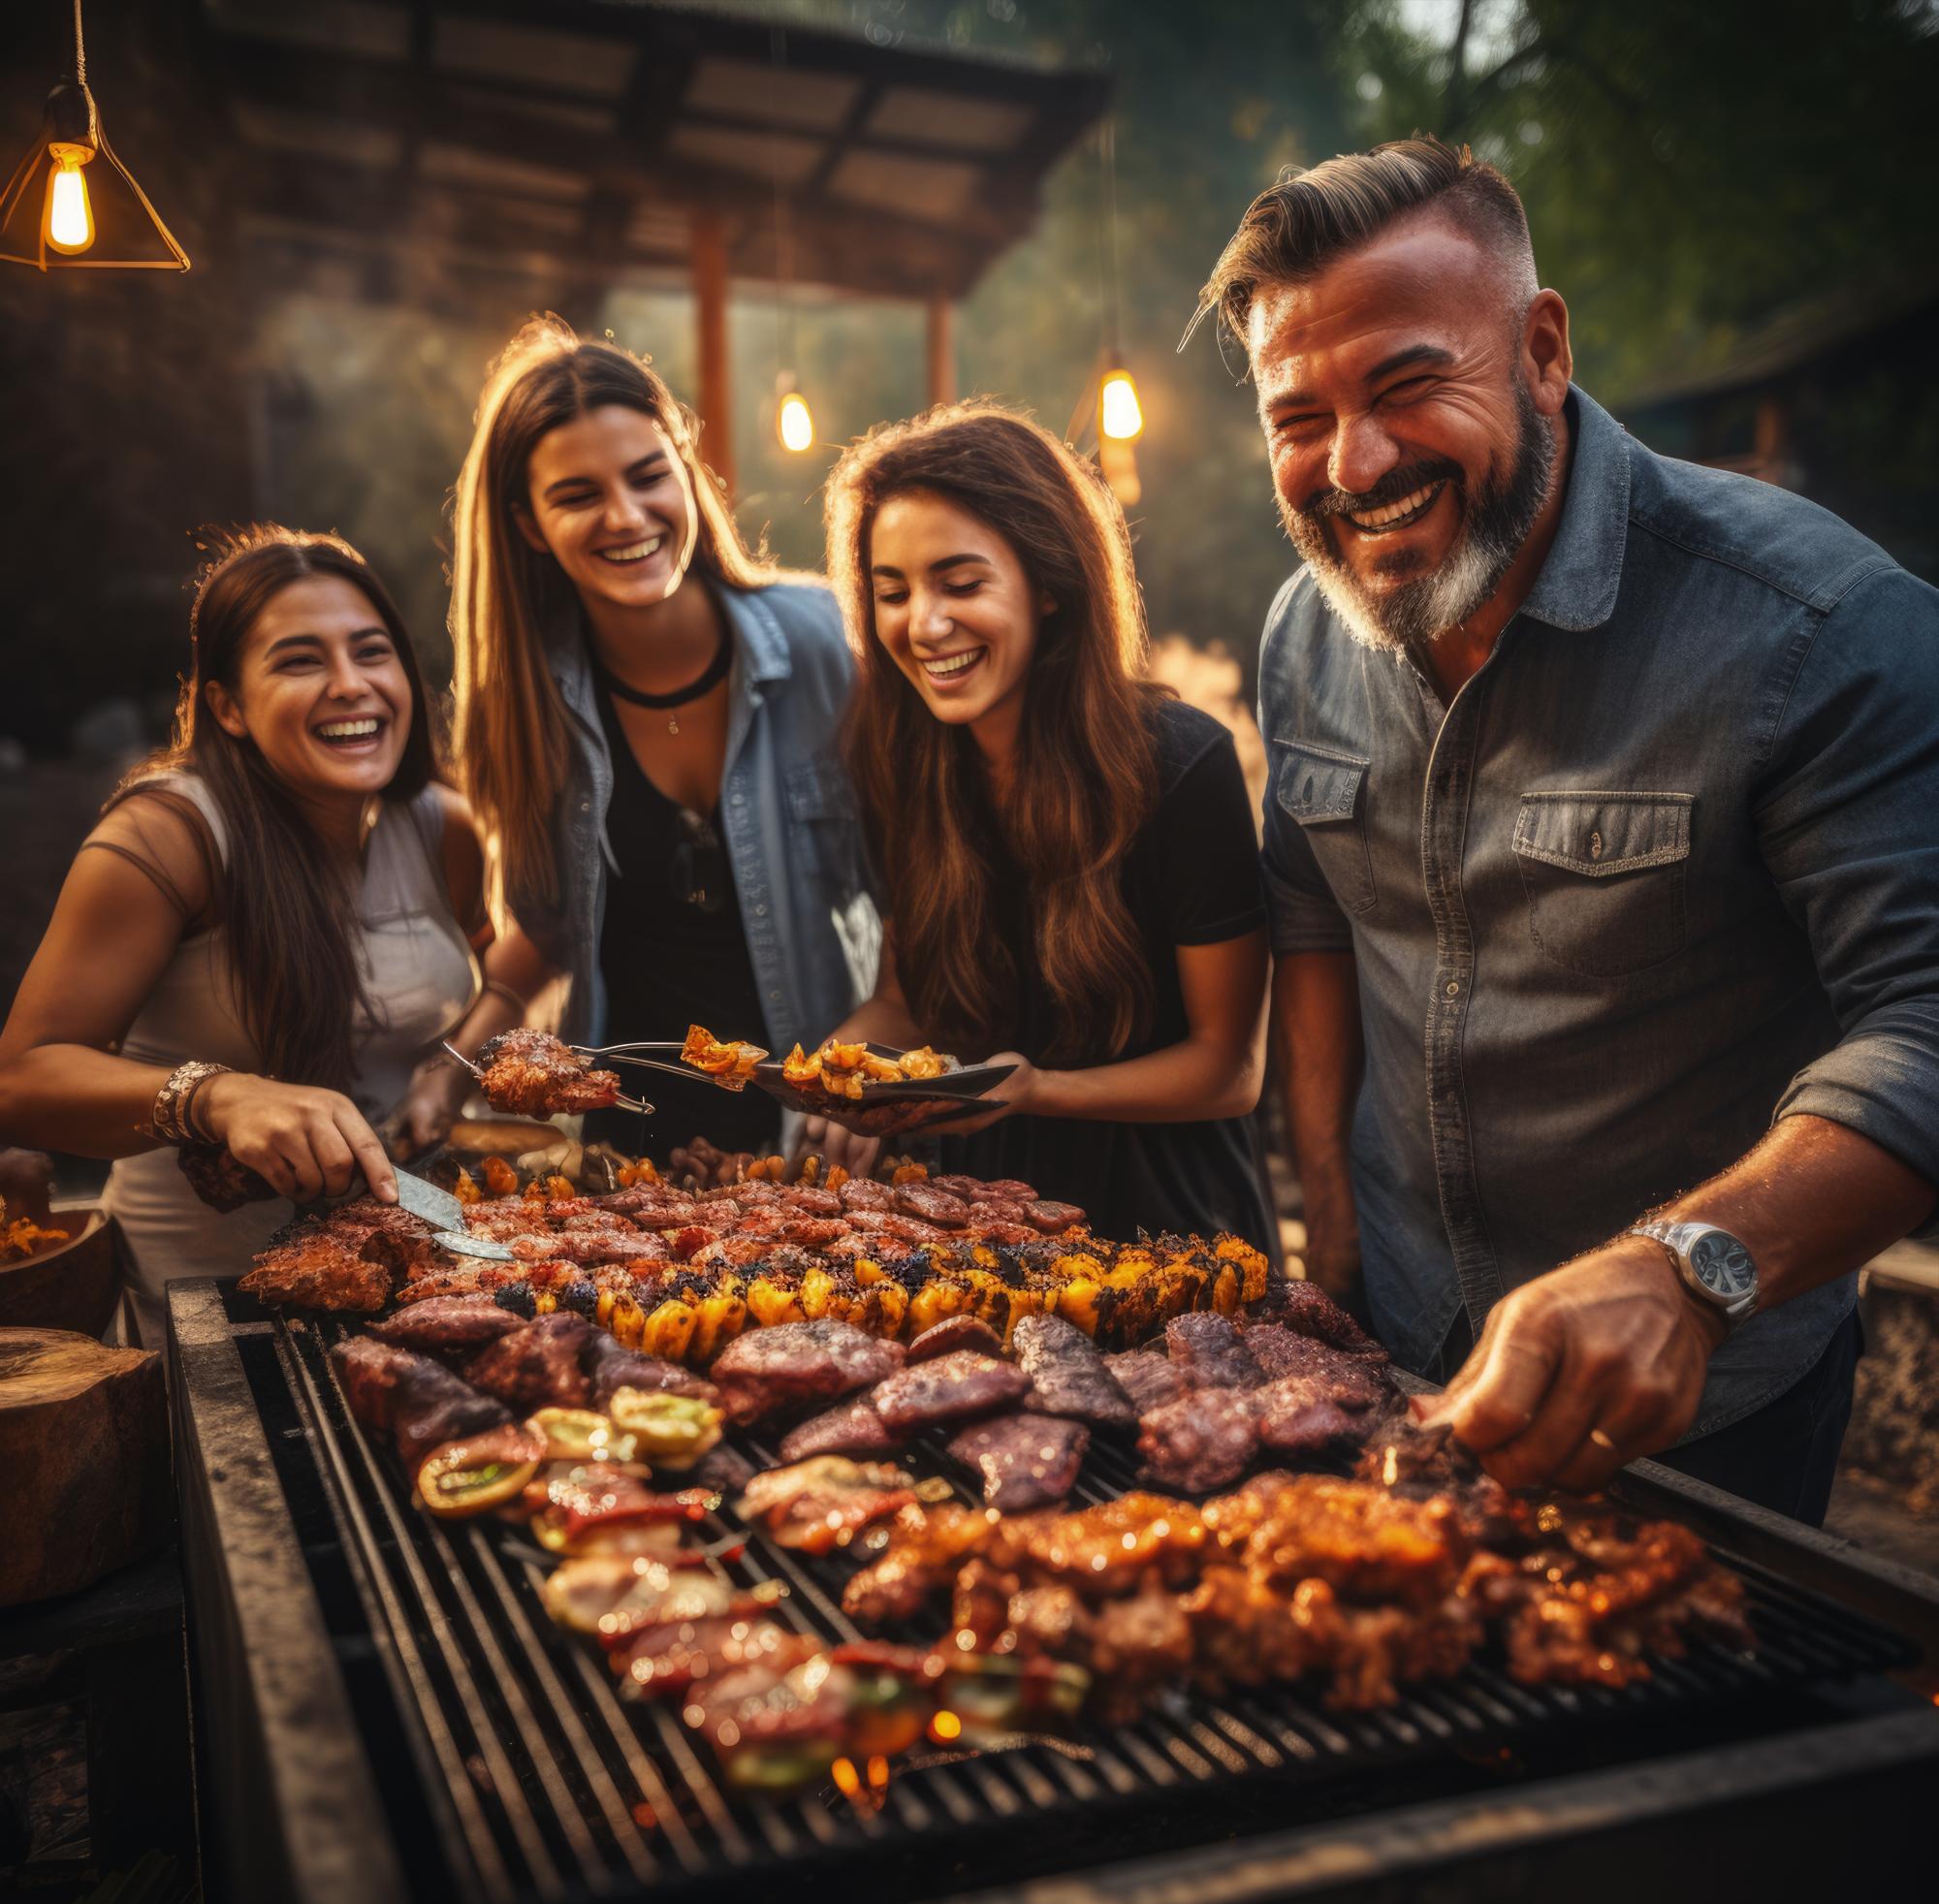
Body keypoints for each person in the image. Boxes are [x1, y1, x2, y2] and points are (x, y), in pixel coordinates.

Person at [1199, 138, 1939, 1520]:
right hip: (1393, 1347)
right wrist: (1332, 1233)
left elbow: (1927, 1015)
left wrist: (1688, 1268)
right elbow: (1313, 907)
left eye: (1409, 384)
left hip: (1703, 1392)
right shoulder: (1304, 634)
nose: (1353, 464)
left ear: (1540, 348)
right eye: (1298, 418)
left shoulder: (1825, 632)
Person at [0, 527, 511, 1346]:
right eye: (301, 661)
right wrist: (220, 1096)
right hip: (206, 1307)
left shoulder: (442, 826)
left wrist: (440, 1078)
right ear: (228, 706)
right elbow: (20, 1081)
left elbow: (493, 975)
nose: (352, 685)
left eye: (372, 652)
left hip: (411, 1284)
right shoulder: (168, 837)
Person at [810, 403, 1274, 1250]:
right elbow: (902, 1004)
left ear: (1051, 584)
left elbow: (1230, 1069)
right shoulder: (899, 767)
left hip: (1171, 1237)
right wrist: (840, 1067)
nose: (925, 623)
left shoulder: (1179, 764)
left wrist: (1038, 1090)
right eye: (893, 593)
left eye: (961, 583)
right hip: (980, 1237)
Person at [448, 317, 875, 1164]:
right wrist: (448, 1065)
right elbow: (543, 929)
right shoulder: (523, 701)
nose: (626, 515)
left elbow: (924, 908)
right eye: (577, 496)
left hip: (820, 1142)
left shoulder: (828, 640)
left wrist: (863, 1067)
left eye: (650, 476)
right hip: (628, 1162)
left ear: (687, 470)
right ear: (529, 525)